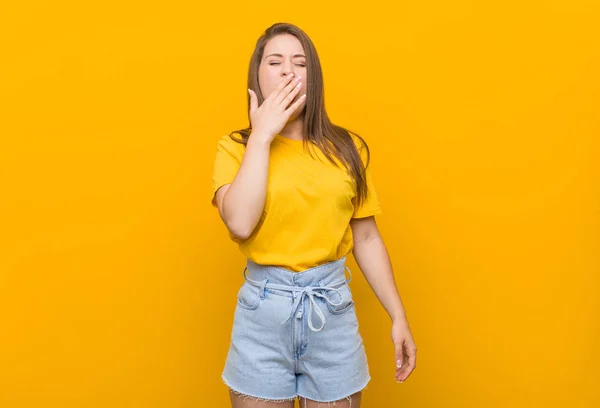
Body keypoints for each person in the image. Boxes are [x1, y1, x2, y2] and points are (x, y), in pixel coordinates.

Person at [211, 22, 417, 408]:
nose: (288, 70)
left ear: (314, 77)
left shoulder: (347, 148)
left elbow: (367, 238)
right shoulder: (235, 148)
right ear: (257, 75)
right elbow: (239, 222)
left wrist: (398, 315)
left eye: (300, 63)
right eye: (275, 61)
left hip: (331, 311)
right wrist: (262, 136)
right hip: (262, 315)